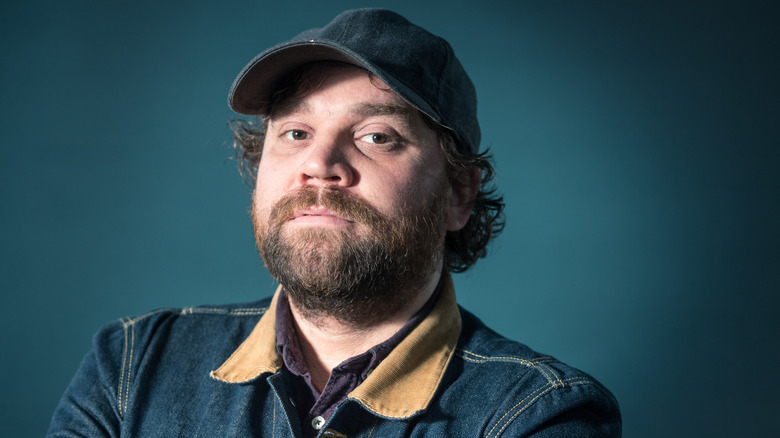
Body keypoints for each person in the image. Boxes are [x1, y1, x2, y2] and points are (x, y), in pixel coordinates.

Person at [47, 8, 621, 437]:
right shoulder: (131, 365)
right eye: (295, 133)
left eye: (376, 137)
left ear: (458, 194)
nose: (320, 166)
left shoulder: (538, 413)